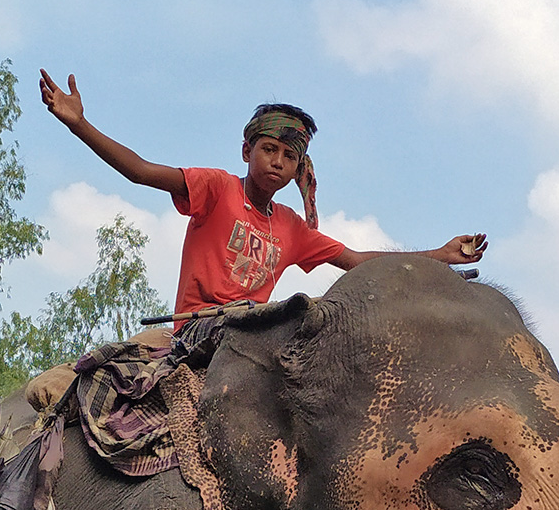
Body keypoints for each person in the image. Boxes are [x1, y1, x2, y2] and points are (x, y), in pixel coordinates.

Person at [37, 73, 487, 324]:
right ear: (247, 151)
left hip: (255, 336)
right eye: (269, 150)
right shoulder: (215, 189)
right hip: (199, 334)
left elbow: (355, 260)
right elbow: (139, 172)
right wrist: (79, 123)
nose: (277, 162)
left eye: (289, 156)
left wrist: (439, 256)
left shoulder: (291, 226)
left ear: (297, 168)